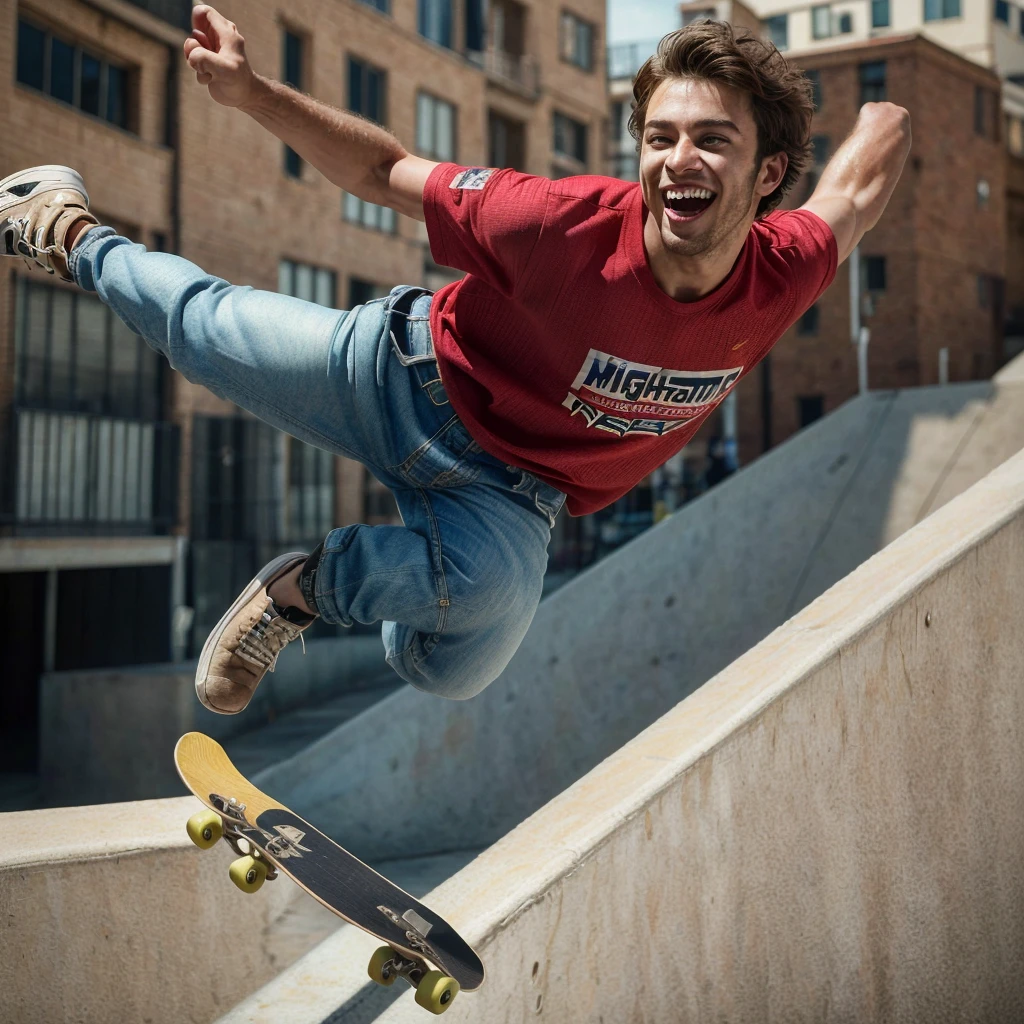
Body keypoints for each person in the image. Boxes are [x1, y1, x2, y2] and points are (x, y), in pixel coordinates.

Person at [0, 9, 910, 714]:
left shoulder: (783, 270)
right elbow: (382, 172)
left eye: (712, 139)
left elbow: (862, 183)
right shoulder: (554, 220)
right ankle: (65, 227)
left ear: (766, 175)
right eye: (660, 136)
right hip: (399, 378)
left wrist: (888, 103)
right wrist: (253, 93)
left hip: (509, 499)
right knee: (204, 333)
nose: (679, 160)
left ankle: (307, 584)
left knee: (445, 669)